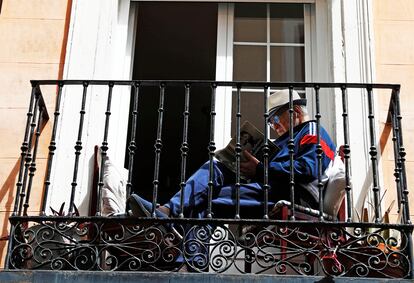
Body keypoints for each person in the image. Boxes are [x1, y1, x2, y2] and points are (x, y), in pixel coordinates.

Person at [128, 88, 337, 220]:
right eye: (270, 122)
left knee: (206, 194)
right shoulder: (284, 139)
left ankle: (169, 215)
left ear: (296, 113)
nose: (273, 126)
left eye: (275, 120)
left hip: (293, 195)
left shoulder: (311, 131)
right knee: (213, 176)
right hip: (270, 190)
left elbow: (309, 169)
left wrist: (261, 168)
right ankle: (188, 256)